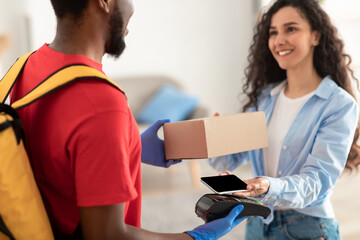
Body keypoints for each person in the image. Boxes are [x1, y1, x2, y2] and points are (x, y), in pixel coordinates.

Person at [9, 0, 246, 239]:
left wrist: (132, 147)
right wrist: (195, 237)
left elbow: (51, 153)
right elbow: (108, 235)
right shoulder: (101, 102)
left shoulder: (26, 67)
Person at [208, 0, 360, 239]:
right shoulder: (266, 98)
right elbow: (227, 160)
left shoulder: (338, 104)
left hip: (307, 227)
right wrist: (215, 138)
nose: (279, 40)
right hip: (258, 222)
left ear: (316, 36)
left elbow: (317, 181)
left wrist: (268, 186)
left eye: (291, 29)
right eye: (273, 32)